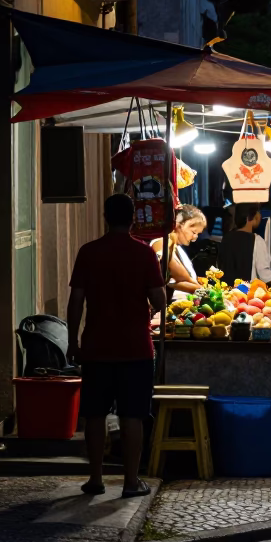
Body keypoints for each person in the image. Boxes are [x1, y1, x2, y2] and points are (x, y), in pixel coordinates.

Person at [67, 193, 167, 498]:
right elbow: (160, 301)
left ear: (105, 218)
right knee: (132, 415)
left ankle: (95, 479)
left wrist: (72, 341)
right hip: (136, 347)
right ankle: (130, 482)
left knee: (95, 414)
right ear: (134, 217)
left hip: (97, 346)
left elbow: (76, 302)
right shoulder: (144, 254)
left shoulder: (88, 252)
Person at [217, 202, 271, 284]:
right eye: (258, 213)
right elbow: (266, 277)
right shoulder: (257, 240)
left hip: (226, 291)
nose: (260, 216)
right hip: (247, 293)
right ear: (249, 218)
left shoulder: (226, 238)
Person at [150, 204, 207, 292]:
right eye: (193, 232)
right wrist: (202, 289)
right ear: (178, 225)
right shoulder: (161, 242)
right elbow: (180, 277)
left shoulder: (178, 248)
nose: (195, 238)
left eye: (198, 234)